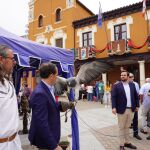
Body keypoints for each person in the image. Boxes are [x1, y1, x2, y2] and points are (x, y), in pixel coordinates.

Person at [28, 62, 74, 150]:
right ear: (51, 76)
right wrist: (54, 145)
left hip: (49, 139)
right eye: (56, 75)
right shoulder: (40, 93)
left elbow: (49, 105)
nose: (57, 78)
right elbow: (41, 123)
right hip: (45, 143)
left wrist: (63, 105)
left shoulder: (47, 88)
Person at [0, 45, 22, 150]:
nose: (14, 62)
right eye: (12, 59)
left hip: (15, 142)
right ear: (1, 59)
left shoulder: (9, 83)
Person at [111, 70, 139, 150]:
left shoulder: (132, 85)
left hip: (131, 110)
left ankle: (127, 142)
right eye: (121, 75)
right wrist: (113, 107)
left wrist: (137, 105)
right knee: (121, 127)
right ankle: (121, 145)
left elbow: (136, 96)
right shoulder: (117, 86)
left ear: (127, 76)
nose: (122, 76)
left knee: (127, 127)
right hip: (121, 110)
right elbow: (113, 97)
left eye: (124, 75)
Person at [128, 73, 142, 140]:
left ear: (133, 77)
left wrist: (137, 105)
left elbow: (137, 95)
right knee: (127, 121)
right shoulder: (123, 84)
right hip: (126, 106)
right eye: (129, 76)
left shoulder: (135, 84)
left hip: (133, 105)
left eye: (131, 76)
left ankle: (135, 134)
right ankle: (126, 135)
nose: (130, 77)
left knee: (135, 120)